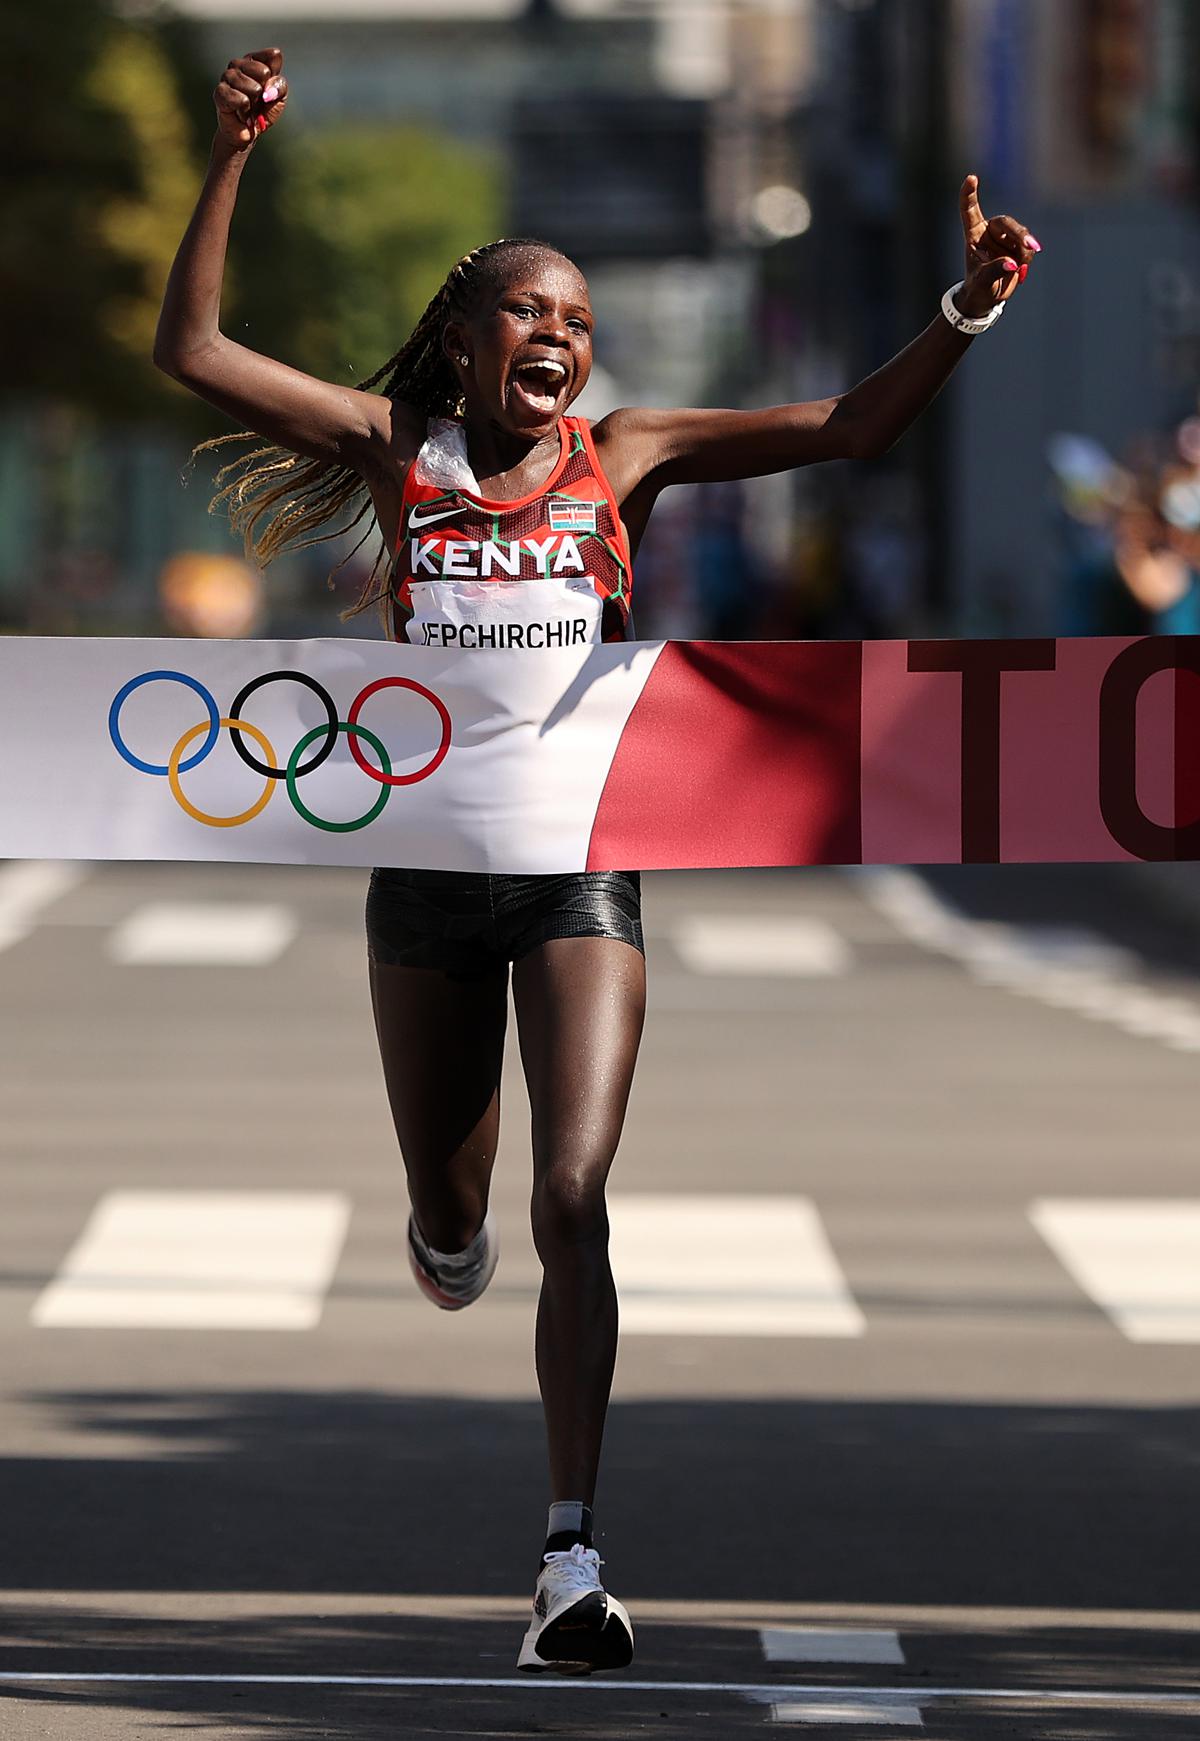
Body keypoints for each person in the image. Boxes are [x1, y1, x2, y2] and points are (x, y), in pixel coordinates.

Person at [154, 46, 1040, 1676]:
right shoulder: (395, 446)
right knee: (456, 1205)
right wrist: (229, 153)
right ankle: (438, 1224)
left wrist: (966, 311)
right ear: (466, 341)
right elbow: (193, 347)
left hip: (582, 873)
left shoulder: (623, 456)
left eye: (574, 317)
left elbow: (849, 427)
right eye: (524, 315)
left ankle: (569, 1555)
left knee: (578, 1193)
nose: (555, 335)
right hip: (425, 874)